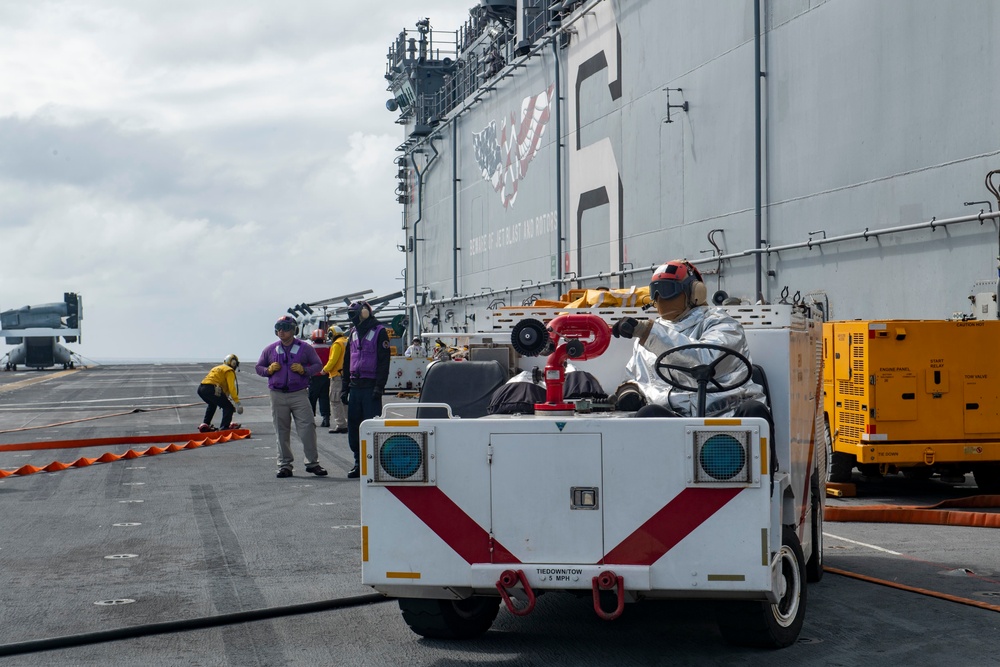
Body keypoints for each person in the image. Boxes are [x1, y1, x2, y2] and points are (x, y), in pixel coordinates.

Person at [611, 260, 770, 423]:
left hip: (725, 416)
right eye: (655, 291)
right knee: (648, 413)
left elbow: (705, 361)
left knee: (753, 411)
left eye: (667, 290)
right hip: (674, 421)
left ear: (695, 292)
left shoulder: (722, 324)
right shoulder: (648, 335)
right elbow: (636, 376)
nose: (660, 298)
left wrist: (648, 332)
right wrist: (629, 390)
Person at [256, 315, 328, 478]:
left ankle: (312, 463)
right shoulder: (270, 349)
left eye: (285, 328)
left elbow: (318, 365)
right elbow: (259, 367)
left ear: (293, 330)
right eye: (279, 328)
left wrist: (305, 370)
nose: (281, 331)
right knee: (281, 430)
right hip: (277, 394)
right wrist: (269, 371)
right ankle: (285, 465)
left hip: (299, 393)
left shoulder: (305, 348)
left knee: (308, 428)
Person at [340, 301, 391, 478]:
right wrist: (344, 387)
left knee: (372, 426)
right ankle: (358, 463)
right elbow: (347, 362)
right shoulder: (353, 334)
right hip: (355, 387)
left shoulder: (379, 332)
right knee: (354, 426)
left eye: (354, 314)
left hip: (371, 388)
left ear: (364, 313)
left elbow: (384, 362)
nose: (352, 318)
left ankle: (374, 463)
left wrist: (379, 386)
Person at [197, 354, 243, 432]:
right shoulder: (229, 371)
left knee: (212, 404)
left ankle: (205, 424)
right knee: (228, 407)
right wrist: (237, 402)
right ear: (233, 363)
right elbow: (232, 388)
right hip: (212, 389)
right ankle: (224, 427)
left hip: (201, 388)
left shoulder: (217, 368)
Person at [322, 325, 348, 434]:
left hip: (336, 376)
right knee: (344, 400)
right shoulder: (346, 341)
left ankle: (341, 424)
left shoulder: (337, 344)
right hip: (346, 375)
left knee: (335, 400)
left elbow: (333, 360)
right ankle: (350, 422)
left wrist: (325, 369)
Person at [307, 329, 332, 427]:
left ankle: (310, 420)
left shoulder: (310, 348)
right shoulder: (328, 348)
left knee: (311, 399)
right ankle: (326, 418)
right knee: (324, 398)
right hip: (325, 376)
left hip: (313, 377)